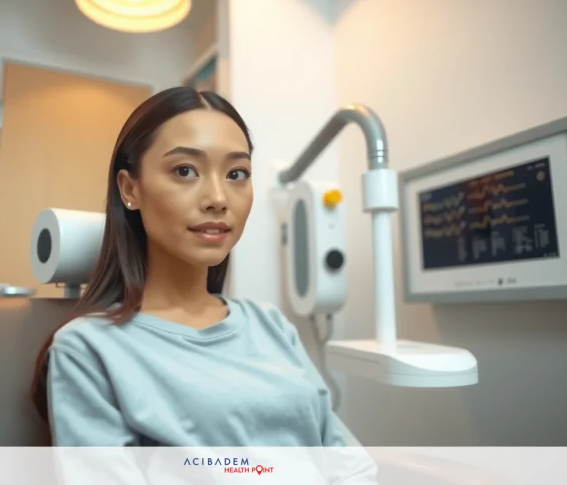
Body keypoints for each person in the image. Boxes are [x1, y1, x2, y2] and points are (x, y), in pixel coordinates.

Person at [30, 87, 377, 483]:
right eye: (185, 170)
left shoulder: (271, 325)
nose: (217, 197)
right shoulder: (88, 349)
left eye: (236, 174)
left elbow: (347, 462)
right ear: (130, 189)